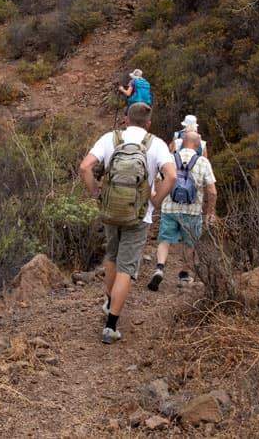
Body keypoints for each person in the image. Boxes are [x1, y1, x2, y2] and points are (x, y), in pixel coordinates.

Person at [79, 103, 176, 344]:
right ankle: (111, 325)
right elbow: (172, 175)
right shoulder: (157, 144)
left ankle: (109, 302)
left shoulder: (109, 139)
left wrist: (96, 193)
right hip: (139, 214)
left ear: (126, 120)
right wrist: (155, 200)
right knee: (127, 268)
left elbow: (85, 167)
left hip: (111, 211)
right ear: (148, 124)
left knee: (112, 257)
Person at [148, 131, 217, 291]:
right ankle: (184, 275)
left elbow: (157, 180)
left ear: (181, 142)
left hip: (169, 208)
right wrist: (210, 212)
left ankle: (159, 268)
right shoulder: (203, 162)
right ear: (198, 145)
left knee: (165, 240)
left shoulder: (170, 159)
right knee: (189, 243)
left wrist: (158, 197)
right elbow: (212, 191)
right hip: (192, 211)